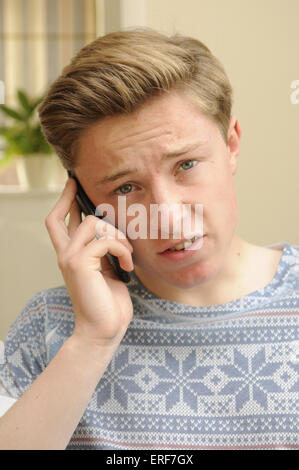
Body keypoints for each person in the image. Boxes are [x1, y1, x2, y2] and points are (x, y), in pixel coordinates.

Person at [0, 29, 298, 450]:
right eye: (125, 187)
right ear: (82, 201)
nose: (169, 219)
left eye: (187, 164)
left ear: (231, 144)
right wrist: (92, 340)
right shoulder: (48, 327)